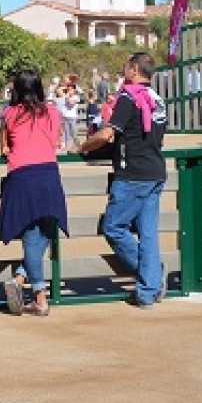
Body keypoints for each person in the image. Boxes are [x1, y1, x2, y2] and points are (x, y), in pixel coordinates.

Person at [78, 52, 168, 308]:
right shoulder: (157, 99)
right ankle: (147, 289)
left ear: (133, 70)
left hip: (132, 174)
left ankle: (150, 279)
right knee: (148, 234)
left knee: (114, 227)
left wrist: (83, 147)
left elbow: (107, 134)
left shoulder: (129, 97)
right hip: (154, 171)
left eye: (126, 67)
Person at [0, 69, 69, 317]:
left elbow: (5, 147)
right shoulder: (53, 112)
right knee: (44, 231)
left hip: (21, 176)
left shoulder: (9, 114)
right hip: (48, 174)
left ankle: (27, 286)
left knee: (31, 234)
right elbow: (55, 143)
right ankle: (36, 294)